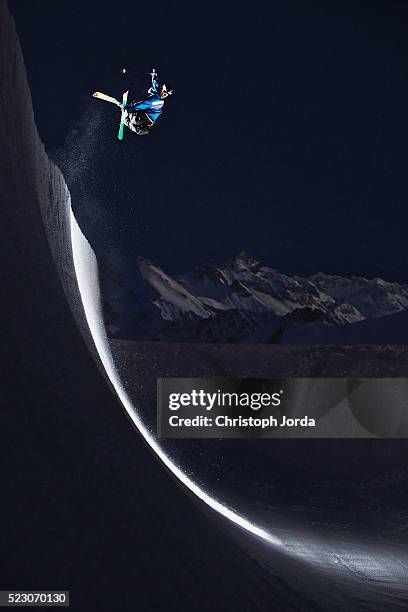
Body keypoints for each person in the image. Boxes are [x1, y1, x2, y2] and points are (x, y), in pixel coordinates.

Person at [123, 69, 173, 135]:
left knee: (143, 131)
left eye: (166, 94)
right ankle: (129, 116)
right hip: (143, 116)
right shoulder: (156, 99)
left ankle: (126, 120)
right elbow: (143, 104)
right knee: (136, 121)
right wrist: (129, 108)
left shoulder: (160, 101)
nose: (164, 95)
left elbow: (155, 82)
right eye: (164, 92)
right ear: (162, 90)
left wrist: (154, 76)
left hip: (148, 121)